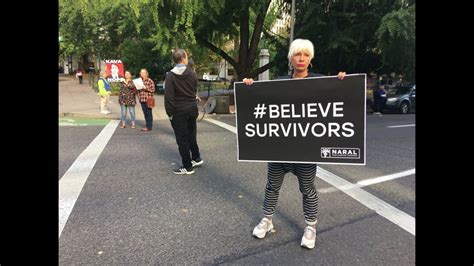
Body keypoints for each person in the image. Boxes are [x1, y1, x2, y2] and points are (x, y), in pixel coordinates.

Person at [242, 38, 346, 250]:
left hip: (306, 151)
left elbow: (339, 104)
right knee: (272, 186)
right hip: (279, 148)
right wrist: (250, 89)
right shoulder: (280, 82)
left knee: (307, 189)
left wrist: (342, 83)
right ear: (290, 57)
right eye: (297, 54)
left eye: (306, 55)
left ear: (311, 59)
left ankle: (311, 226)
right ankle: (267, 220)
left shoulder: (321, 83)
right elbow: (263, 106)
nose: (301, 58)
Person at [164, 49, 203, 175]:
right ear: (184, 58)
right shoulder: (192, 73)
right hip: (192, 108)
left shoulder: (170, 76)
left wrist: (170, 114)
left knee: (182, 139)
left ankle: (187, 166)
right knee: (192, 134)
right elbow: (194, 90)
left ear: (174, 60)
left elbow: (168, 97)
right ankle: (196, 157)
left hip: (179, 110)